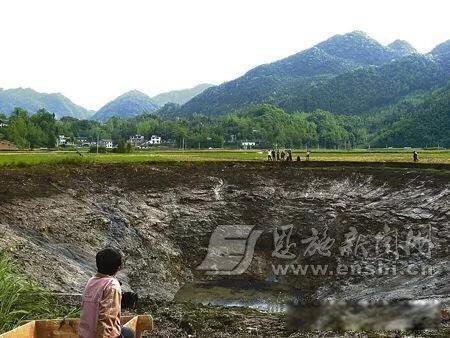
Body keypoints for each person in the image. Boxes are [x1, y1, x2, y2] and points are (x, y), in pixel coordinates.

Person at [79, 248, 135, 338]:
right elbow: (107, 318)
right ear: (117, 268)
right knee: (129, 333)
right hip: (101, 335)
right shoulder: (112, 285)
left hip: (84, 334)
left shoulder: (91, 281)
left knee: (127, 331)